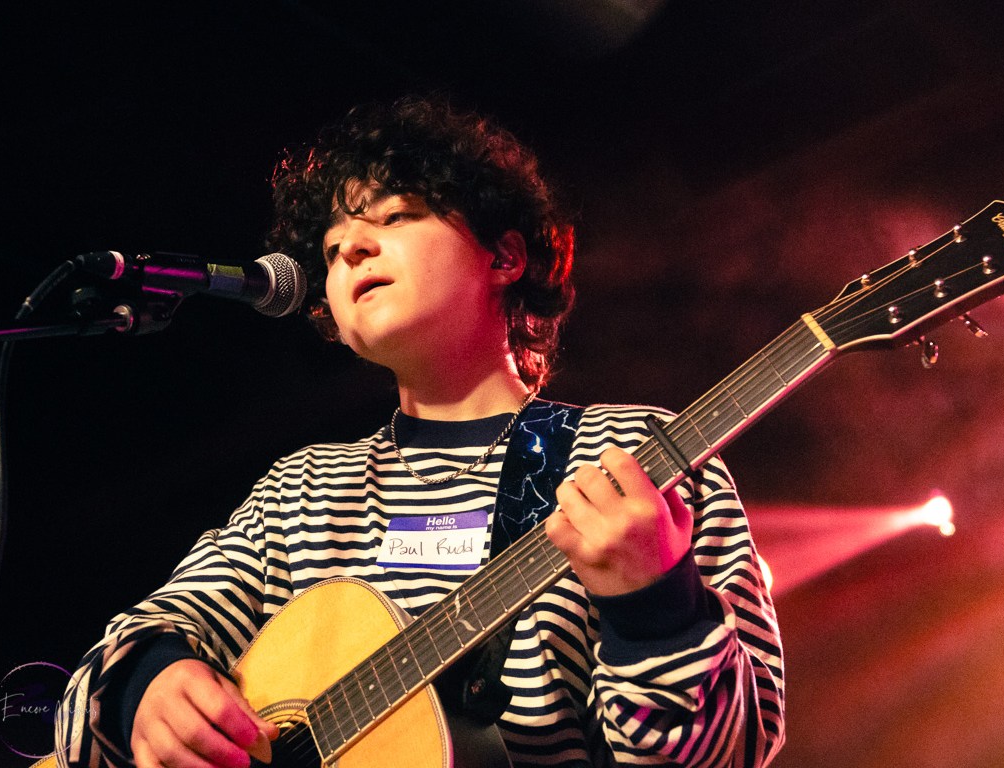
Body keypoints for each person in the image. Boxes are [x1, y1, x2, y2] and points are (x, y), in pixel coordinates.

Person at [55, 95, 785, 768]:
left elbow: (741, 748)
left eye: (395, 216)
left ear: (504, 257)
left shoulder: (635, 456)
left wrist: (657, 607)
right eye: (332, 246)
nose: (350, 249)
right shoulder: (301, 491)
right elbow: (99, 686)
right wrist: (146, 688)